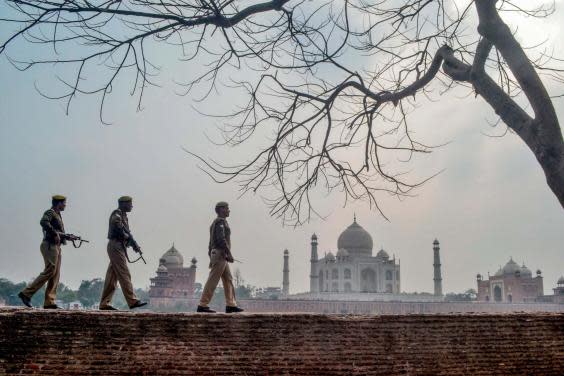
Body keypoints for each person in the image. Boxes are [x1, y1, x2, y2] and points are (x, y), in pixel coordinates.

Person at [18, 195, 69, 309]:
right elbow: (43, 222)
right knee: (50, 270)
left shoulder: (57, 215)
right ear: (58, 203)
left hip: (56, 246)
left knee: (55, 273)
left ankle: (49, 301)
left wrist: (66, 236)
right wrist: (55, 233)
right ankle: (26, 293)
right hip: (49, 245)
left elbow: (57, 231)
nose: (65, 205)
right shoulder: (50, 212)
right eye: (64, 203)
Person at [99, 196, 147, 310]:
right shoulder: (117, 215)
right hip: (116, 246)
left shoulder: (124, 216)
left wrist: (133, 244)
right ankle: (132, 300)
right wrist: (128, 239)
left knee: (112, 277)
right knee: (124, 272)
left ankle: (104, 304)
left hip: (119, 246)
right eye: (130, 203)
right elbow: (119, 230)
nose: (131, 206)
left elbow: (127, 233)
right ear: (123, 204)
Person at [197, 201, 244, 313]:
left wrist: (211, 255)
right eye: (227, 208)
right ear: (221, 209)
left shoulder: (217, 223)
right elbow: (221, 240)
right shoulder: (220, 222)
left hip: (219, 254)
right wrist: (228, 254)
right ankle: (202, 304)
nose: (229, 210)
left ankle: (230, 305)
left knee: (228, 279)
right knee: (213, 279)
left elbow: (211, 242)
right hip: (220, 254)